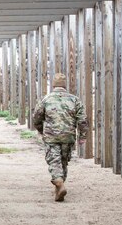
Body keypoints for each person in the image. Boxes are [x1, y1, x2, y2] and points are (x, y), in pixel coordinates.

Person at [32, 73, 88, 202]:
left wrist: (41, 130)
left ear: (53, 85)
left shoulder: (46, 99)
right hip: (68, 136)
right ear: (64, 85)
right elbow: (83, 120)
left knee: (54, 161)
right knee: (63, 161)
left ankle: (59, 182)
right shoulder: (74, 100)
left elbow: (36, 118)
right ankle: (58, 190)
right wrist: (82, 136)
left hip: (51, 136)